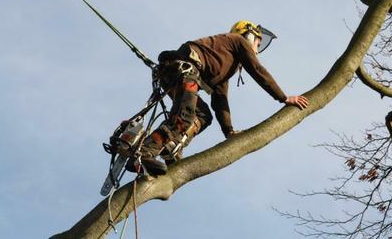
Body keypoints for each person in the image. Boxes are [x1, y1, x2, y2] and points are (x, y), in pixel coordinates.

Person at [128, 20, 309, 175]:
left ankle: (172, 146)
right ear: (249, 37)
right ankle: (144, 151)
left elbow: (220, 99)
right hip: (184, 71)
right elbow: (258, 71)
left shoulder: (222, 63)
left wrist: (228, 131)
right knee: (185, 116)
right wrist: (283, 98)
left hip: (177, 75)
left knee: (203, 115)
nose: (257, 50)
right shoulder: (237, 41)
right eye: (257, 43)